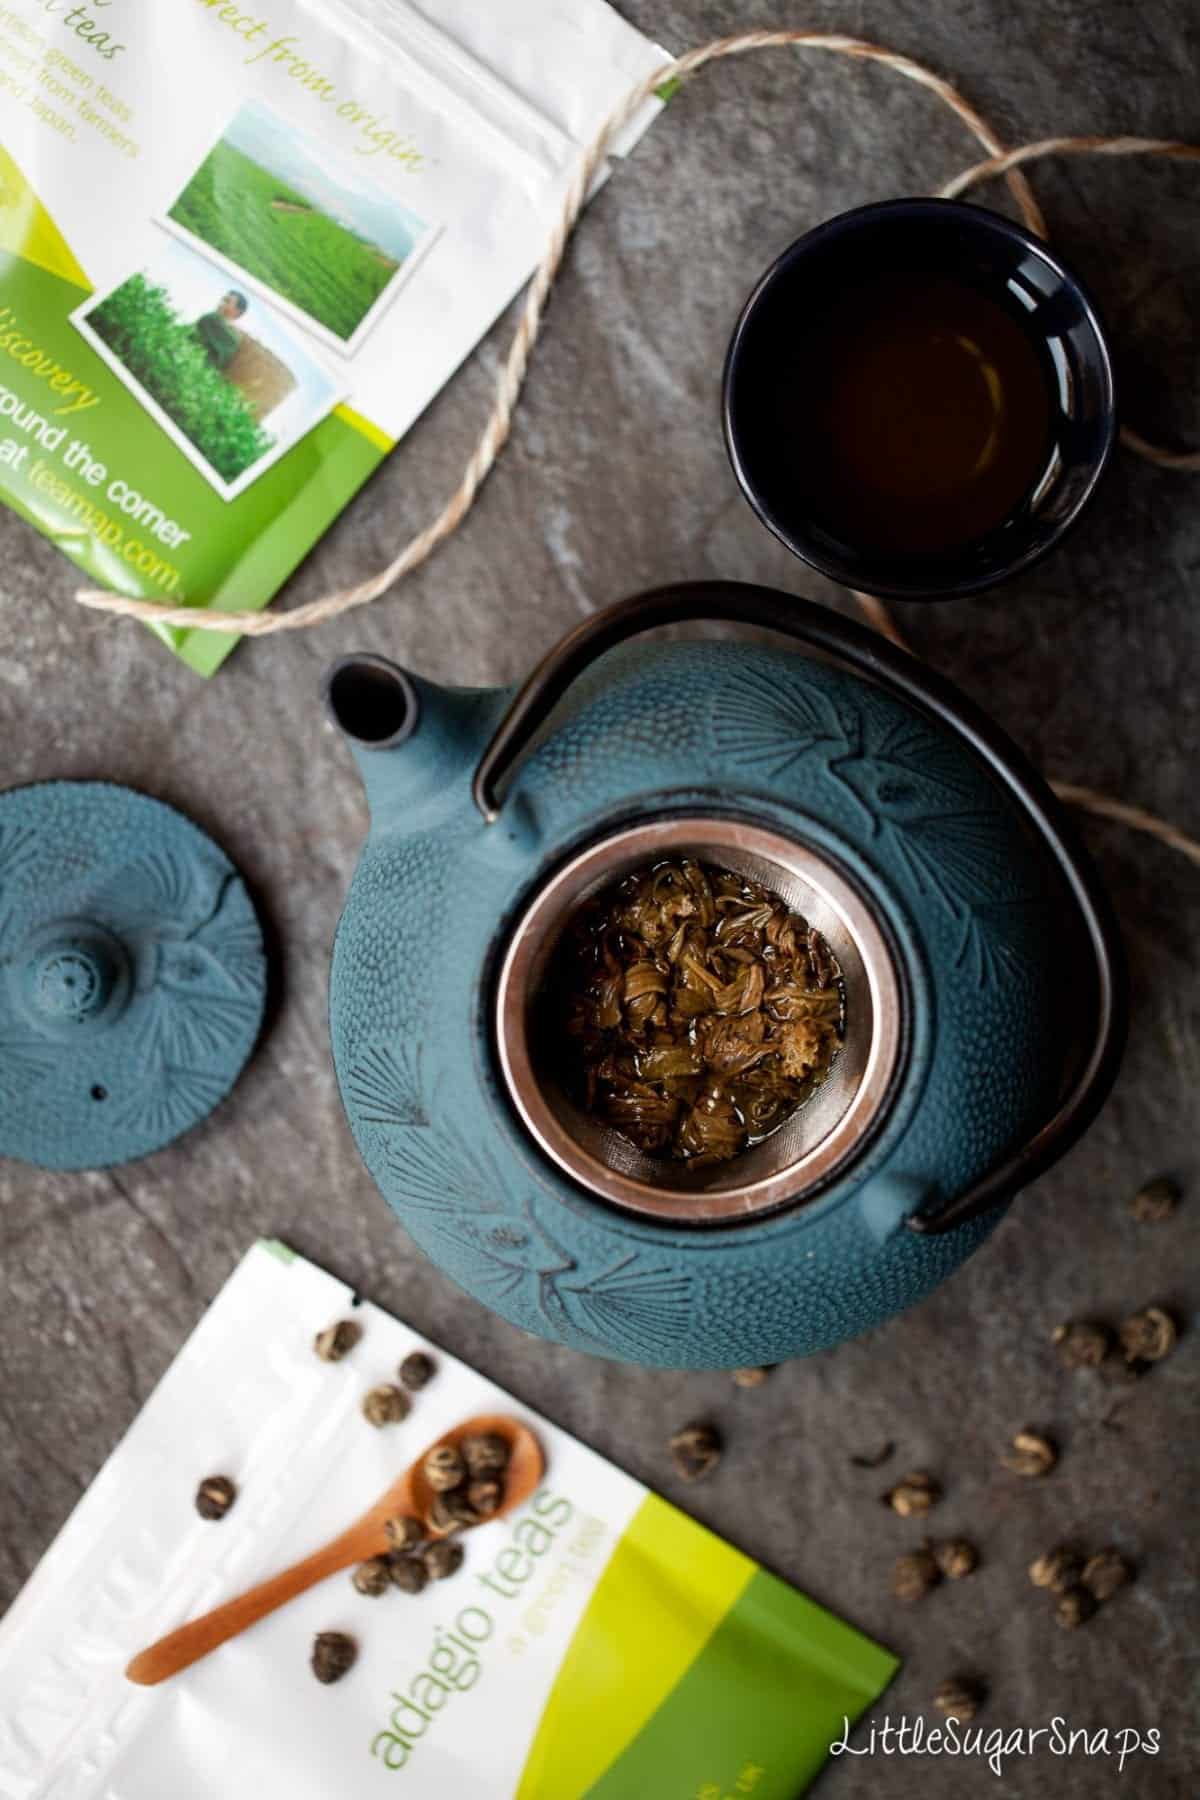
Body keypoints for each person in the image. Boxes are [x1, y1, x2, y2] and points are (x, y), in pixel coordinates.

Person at [194, 290, 248, 370]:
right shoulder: (235, 337)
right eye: (223, 300)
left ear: (237, 312)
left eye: (227, 301)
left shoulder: (212, 319)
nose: (221, 304)